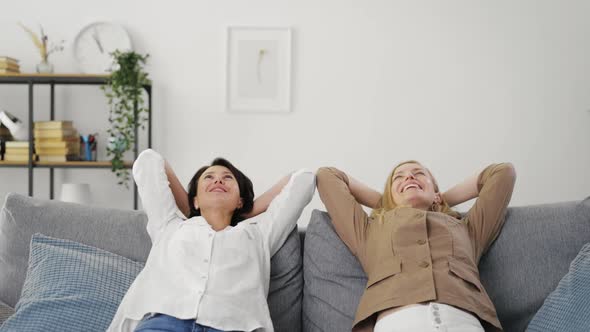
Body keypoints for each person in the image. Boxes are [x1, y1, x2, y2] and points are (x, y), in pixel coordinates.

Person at [107, 149, 315, 332]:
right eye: (208, 177)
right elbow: (148, 160)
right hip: (164, 323)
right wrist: (191, 207)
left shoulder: (258, 235)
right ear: (195, 198)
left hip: (232, 326)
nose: (218, 180)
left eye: (227, 178)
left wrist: (245, 210)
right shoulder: (169, 225)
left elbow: (304, 179)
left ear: (240, 199)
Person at [316, 161, 516, 332]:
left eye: (419, 174)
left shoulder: (469, 230)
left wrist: (441, 198)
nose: (409, 177)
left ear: (435, 190)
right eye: (399, 178)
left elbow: (502, 173)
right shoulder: (368, 231)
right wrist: (385, 202)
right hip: (398, 323)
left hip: (464, 322)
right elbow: (328, 176)